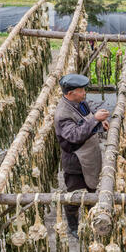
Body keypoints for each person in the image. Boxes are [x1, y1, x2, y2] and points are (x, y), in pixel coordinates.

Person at [54, 74, 110, 239]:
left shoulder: (79, 103)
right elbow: (75, 135)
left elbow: (89, 112)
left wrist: (100, 122)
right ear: (70, 93)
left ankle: (91, 217)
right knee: (74, 196)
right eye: (81, 90)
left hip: (89, 156)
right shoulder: (62, 114)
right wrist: (94, 119)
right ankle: (73, 226)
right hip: (75, 161)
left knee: (92, 189)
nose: (84, 92)